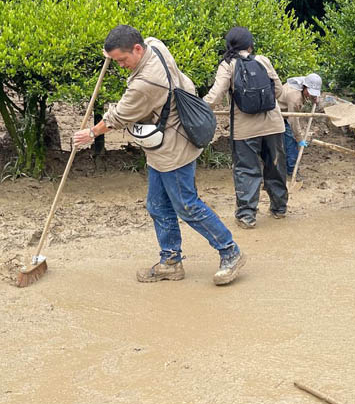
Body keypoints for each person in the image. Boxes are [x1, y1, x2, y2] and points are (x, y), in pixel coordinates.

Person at [72, 25, 245, 286]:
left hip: (174, 149)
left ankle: (230, 251)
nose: (120, 65)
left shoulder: (146, 84)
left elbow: (118, 116)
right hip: (165, 145)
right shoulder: (155, 45)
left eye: (122, 59)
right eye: (115, 60)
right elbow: (136, 44)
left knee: (186, 205)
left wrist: (90, 133)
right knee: (157, 205)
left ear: (138, 49)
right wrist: (112, 52)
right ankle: (171, 261)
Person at [203, 27, 288, 228]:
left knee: (246, 170)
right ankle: (279, 208)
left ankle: (247, 216)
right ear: (250, 44)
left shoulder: (228, 64)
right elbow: (279, 91)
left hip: (245, 128)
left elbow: (214, 97)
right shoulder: (263, 60)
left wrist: (196, 106)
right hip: (274, 125)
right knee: (275, 166)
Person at [277, 73, 323, 177]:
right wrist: (300, 139)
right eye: (310, 93)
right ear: (305, 87)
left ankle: (287, 168)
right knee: (291, 141)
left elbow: (312, 95)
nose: (310, 95)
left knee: (287, 141)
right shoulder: (295, 98)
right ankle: (291, 170)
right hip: (278, 115)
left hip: (285, 112)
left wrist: (314, 99)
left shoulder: (304, 82)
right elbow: (293, 121)